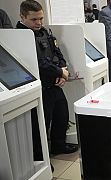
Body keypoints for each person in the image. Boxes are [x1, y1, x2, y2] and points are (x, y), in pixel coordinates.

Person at [16, 0, 78, 158]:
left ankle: (58, 145)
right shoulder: (20, 36)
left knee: (61, 116)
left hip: (54, 84)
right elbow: (38, 62)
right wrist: (60, 72)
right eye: (34, 19)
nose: (39, 22)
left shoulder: (45, 33)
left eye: (41, 18)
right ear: (22, 17)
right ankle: (41, 158)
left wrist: (62, 72)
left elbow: (58, 53)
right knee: (41, 126)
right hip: (41, 88)